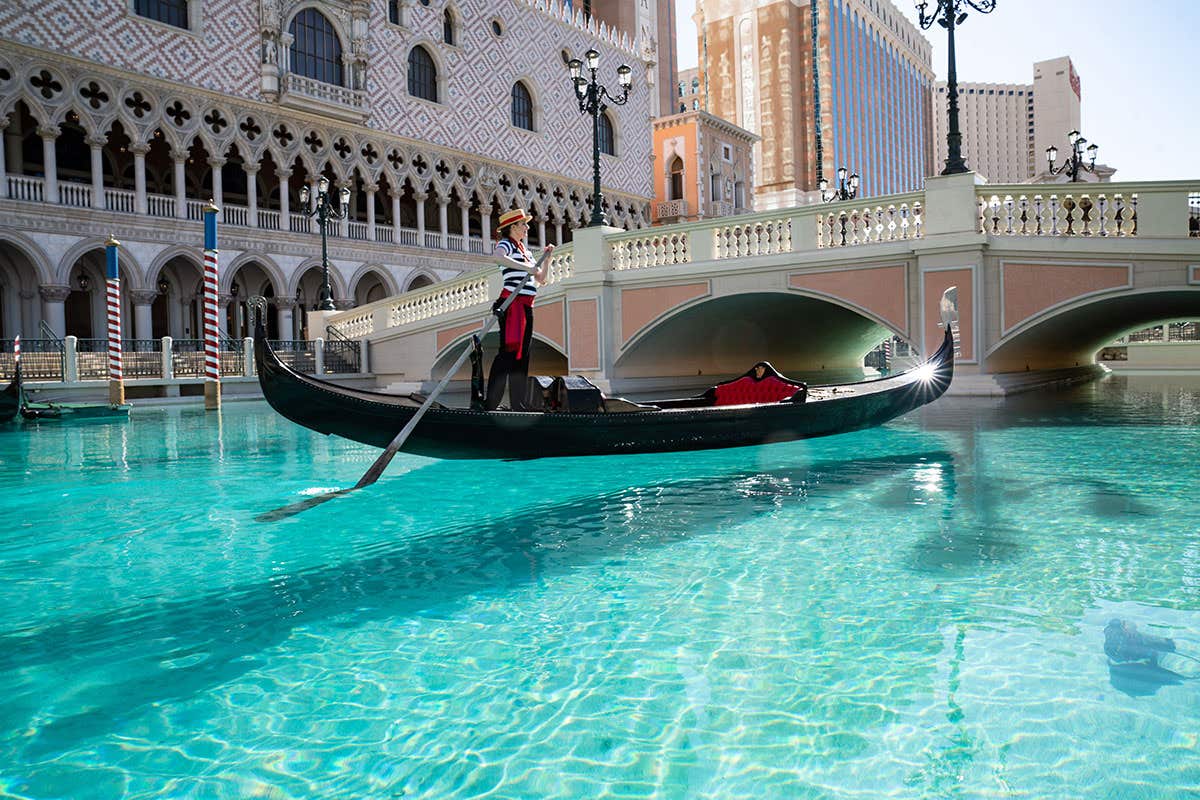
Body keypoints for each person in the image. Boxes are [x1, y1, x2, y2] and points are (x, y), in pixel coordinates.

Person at [485, 208, 552, 410]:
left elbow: (541, 279)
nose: (527, 227)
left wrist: (547, 260)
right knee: (508, 354)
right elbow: (497, 258)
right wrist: (526, 269)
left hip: (526, 306)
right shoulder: (506, 244)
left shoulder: (527, 252)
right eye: (524, 224)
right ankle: (491, 404)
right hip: (511, 304)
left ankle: (518, 403)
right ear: (513, 227)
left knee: (523, 356)